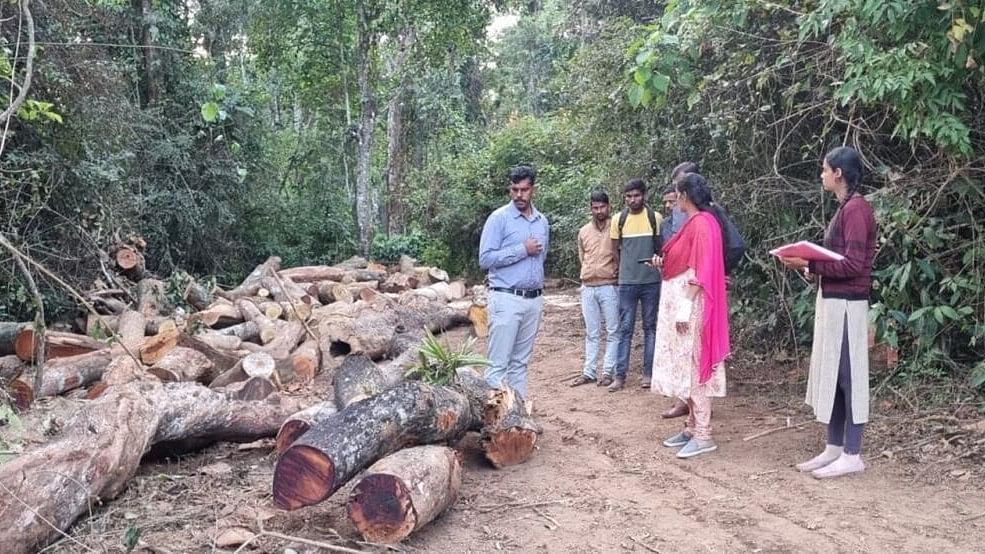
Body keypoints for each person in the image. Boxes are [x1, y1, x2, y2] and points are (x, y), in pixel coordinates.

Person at [779, 146, 877, 479]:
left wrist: (809, 261)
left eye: (824, 169)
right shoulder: (845, 208)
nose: (821, 175)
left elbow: (853, 264)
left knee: (850, 378)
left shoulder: (857, 210)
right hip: (834, 302)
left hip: (849, 305)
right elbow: (837, 262)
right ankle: (835, 447)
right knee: (834, 375)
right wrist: (809, 268)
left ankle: (853, 452)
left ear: (838, 173)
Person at [651, 173, 731, 458]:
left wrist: (685, 308)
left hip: (693, 308)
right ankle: (690, 427)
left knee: (696, 365)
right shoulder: (697, 223)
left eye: (676, 194)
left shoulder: (703, 224)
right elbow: (682, 261)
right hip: (686, 304)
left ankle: (704, 433)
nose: (674, 200)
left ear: (684, 196)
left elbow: (703, 270)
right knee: (688, 365)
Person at [478, 165, 549, 400]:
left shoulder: (542, 222)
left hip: (533, 300)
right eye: (515, 189)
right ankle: (494, 421)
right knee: (498, 365)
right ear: (510, 189)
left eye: (524, 190)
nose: (519, 195)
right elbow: (485, 258)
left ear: (533, 190)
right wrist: (522, 250)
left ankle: (516, 416)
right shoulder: (499, 219)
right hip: (506, 297)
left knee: (520, 363)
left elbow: (541, 259)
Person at [608, 179, 662, 391]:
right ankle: (619, 376)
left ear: (644, 195)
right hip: (627, 282)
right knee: (625, 329)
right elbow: (615, 250)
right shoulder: (618, 220)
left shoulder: (655, 218)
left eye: (636, 195)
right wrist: (621, 272)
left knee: (650, 328)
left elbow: (660, 247)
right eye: (629, 196)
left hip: (651, 281)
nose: (633, 200)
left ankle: (648, 374)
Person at [571, 191, 620, 387]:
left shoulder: (616, 228)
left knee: (613, 330)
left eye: (602, 207)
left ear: (609, 207)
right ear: (591, 208)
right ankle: (589, 372)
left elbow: (620, 252)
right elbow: (582, 256)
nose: (599, 211)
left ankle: (608, 371)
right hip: (588, 286)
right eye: (595, 207)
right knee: (592, 332)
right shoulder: (584, 231)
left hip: (609, 285)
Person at [660, 162, 696, 419]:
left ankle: (699, 422)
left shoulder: (705, 217)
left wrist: (720, 273)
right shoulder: (676, 217)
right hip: (677, 288)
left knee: (694, 350)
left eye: (681, 187)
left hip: (694, 291)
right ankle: (685, 401)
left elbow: (730, 246)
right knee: (682, 349)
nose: (677, 194)